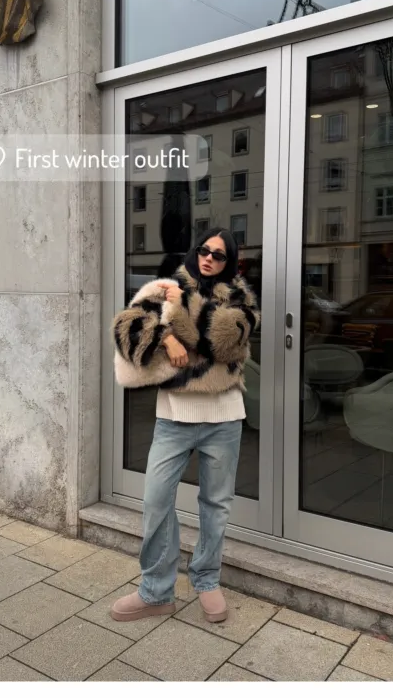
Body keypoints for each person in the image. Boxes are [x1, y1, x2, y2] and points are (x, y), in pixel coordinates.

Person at [109, 227, 260, 623]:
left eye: (219, 255)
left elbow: (221, 341)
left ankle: (207, 580)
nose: (209, 258)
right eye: (204, 250)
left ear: (230, 262)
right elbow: (125, 327)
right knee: (156, 501)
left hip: (224, 417)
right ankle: (156, 590)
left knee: (216, 505)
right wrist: (165, 337)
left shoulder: (241, 299)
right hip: (174, 417)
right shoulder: (168, 287)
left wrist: (182, 306)